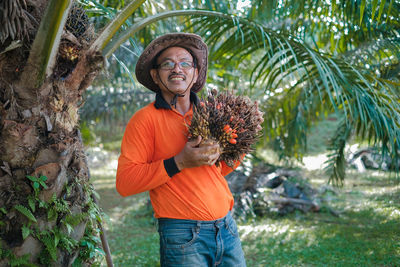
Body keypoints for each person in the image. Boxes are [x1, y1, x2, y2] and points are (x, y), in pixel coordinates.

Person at [116, 33, 249, 267]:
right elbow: (125, 183)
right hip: (182, 235)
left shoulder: (213, 113)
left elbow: (217, 171)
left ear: (195, 74)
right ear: (156, 76)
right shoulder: (144, 120)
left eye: (185, 63)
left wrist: (233, 150)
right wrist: (179, 162)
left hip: (227, 227)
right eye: (168, 64)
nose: (177, 69)